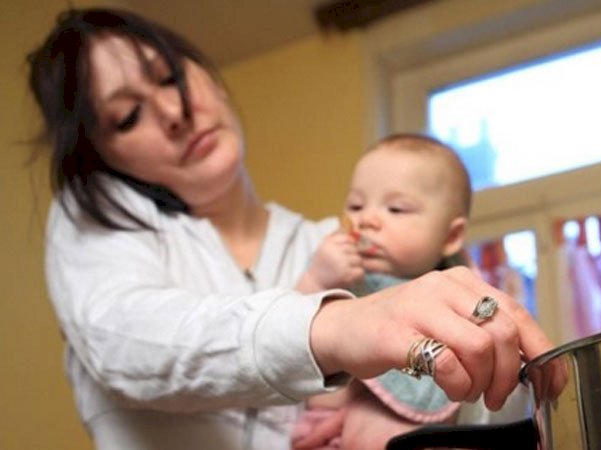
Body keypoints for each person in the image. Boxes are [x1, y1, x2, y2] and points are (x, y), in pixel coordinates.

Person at [26, 7, 565, 450]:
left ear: (205, 72)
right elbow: (126, 339)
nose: (173, 111)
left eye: (171, 77)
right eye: (126, 117)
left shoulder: (335, 246)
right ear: (103, 157)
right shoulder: (95, 223)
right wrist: (332, 328)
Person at [291, 133, 477, 449]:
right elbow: (289, 325)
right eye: (356, 205)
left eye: (396, 208)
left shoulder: (456, 292)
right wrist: (316, 279)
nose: (367, 219)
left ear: (451, 235)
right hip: (322, 433)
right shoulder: (339, 272)